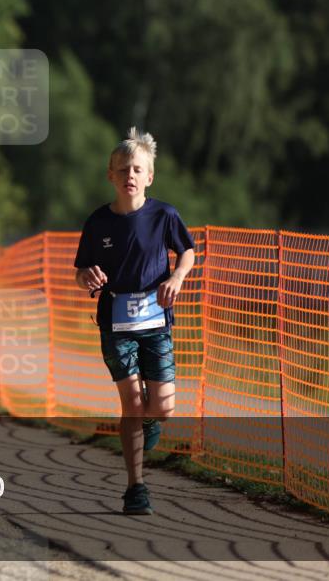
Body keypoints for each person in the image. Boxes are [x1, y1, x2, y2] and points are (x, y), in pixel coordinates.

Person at [74, 128, 195, 516]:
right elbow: (80, 271)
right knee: (131, 404)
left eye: (137, 169)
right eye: (123, 168)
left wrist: (176, 276)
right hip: (115, 323)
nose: (130, 174)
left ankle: (149, 428)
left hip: (156, 322)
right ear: (111, 175)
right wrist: (87, 276)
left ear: (149, 177)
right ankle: (135, 487)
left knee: (161, 407)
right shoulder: (97, 222)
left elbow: (188, 251)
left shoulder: (164, 215)